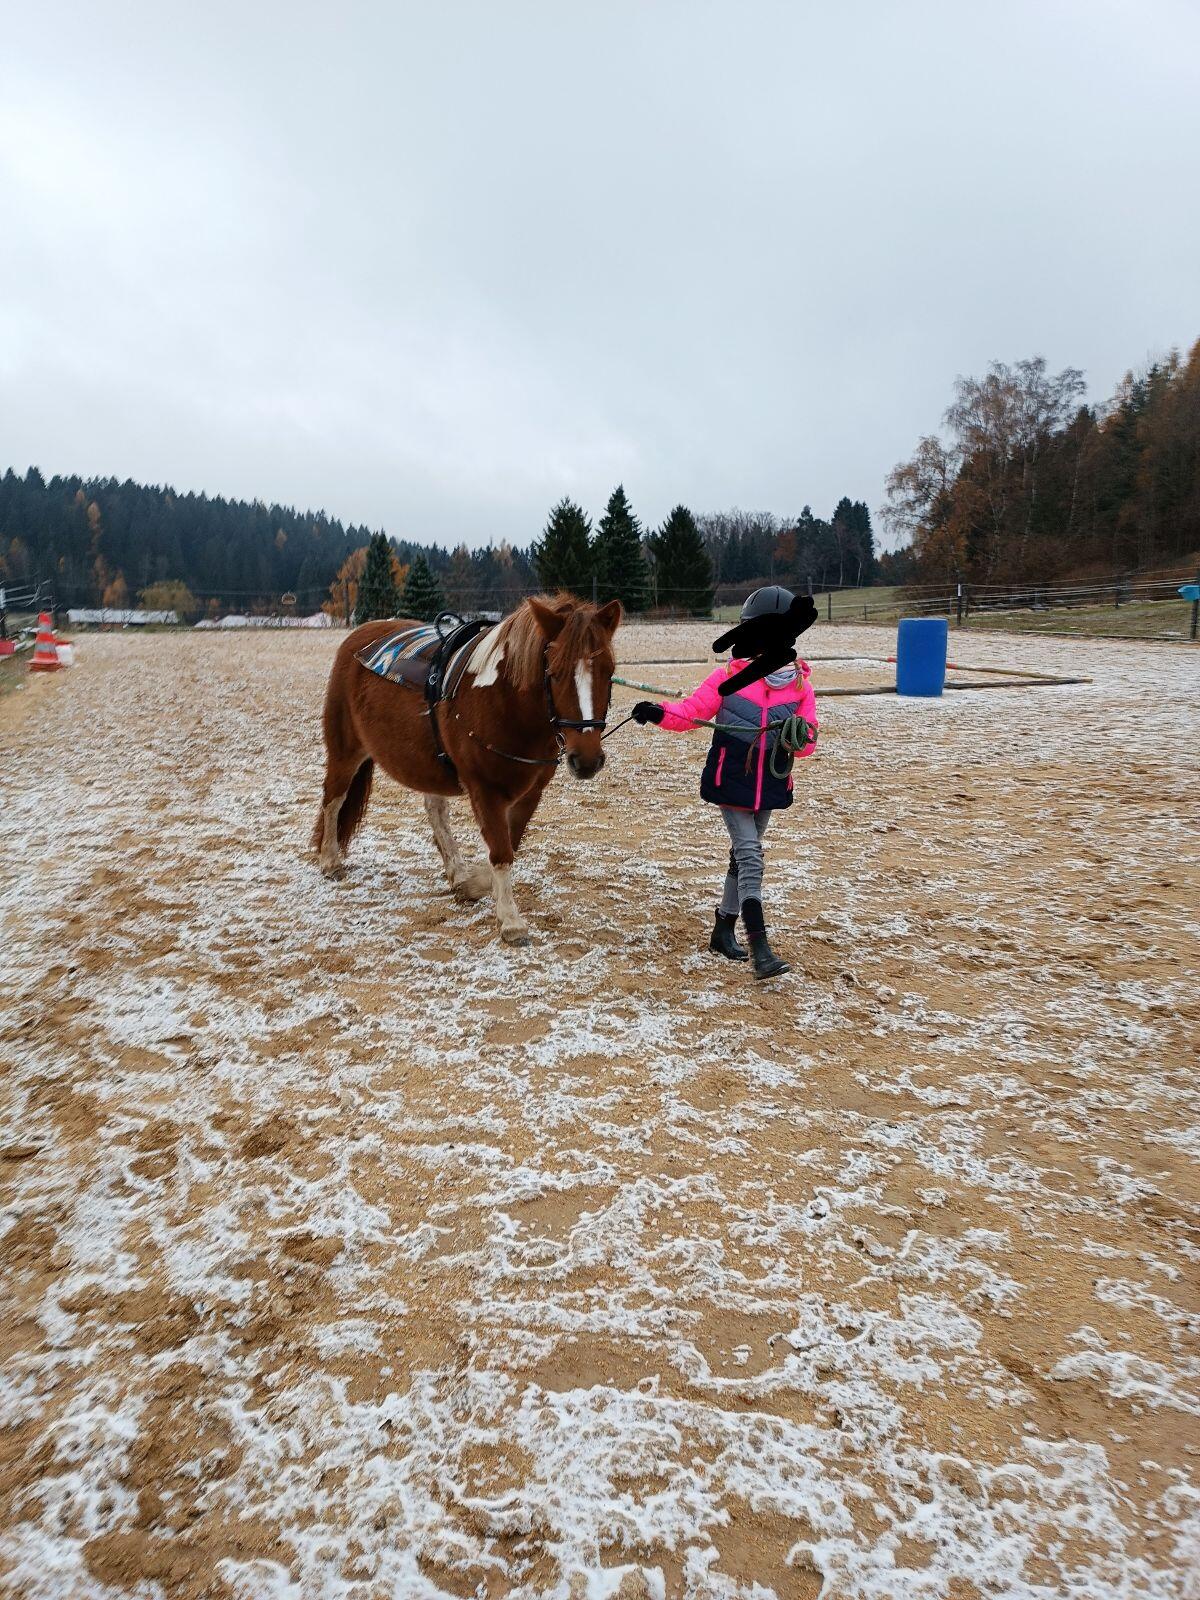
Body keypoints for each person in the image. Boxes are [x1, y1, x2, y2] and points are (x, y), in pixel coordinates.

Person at [631, 585, 818, 980]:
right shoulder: (727, 677)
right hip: (732, 780)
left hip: (770, 785)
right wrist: (657, 712)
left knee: (741, 857)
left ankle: (723, 929)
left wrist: (799, 736)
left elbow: (807, 745)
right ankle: (760, 949)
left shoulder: (801, 687)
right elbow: (691, 712)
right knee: (750, 856)